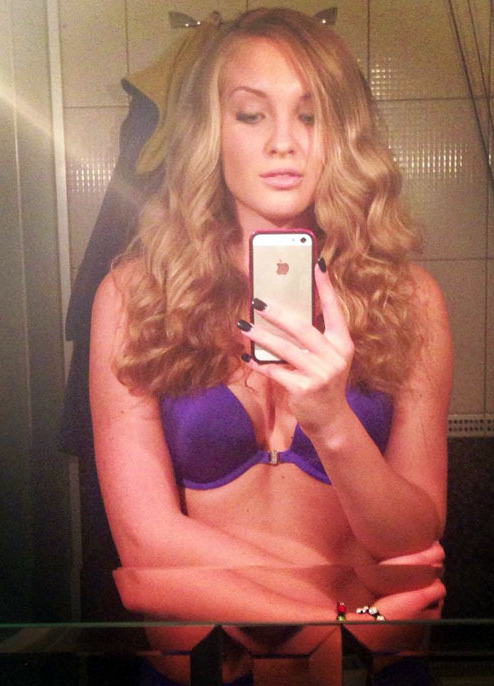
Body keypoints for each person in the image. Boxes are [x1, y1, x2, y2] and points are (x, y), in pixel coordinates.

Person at [89, 8, 453, 684]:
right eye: (252, 115)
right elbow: (144, 540)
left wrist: (334, 422)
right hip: (231, 665)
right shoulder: (135, 298)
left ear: (341, 134)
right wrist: (344, 617)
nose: (284, 142)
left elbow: (412, 534)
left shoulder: (408, 300)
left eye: (310, 116)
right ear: (212, 131)